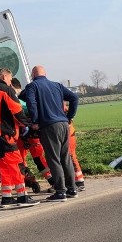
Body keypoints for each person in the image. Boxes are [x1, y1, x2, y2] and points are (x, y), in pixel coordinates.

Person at [0, 68, 38, 208]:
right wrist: (30, 124)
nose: (11, 82)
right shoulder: (6, 90)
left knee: (3, 167)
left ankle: (7, 198)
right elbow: (17, 111)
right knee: (17, 164)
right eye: (10, 78)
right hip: (4, 134)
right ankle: (22, 196)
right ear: (4, 76)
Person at [22, 65, 79, 202]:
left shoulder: (32, 87)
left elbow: (31, 102)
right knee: (65, 158)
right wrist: (69, 116)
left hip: (49, 126)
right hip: (64, 125)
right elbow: (74, 98)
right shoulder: (57, 86)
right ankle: (72, 189)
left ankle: (60, 192)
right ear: (45, 74)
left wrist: (35, 121)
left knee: (53, 159)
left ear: (33, 75)